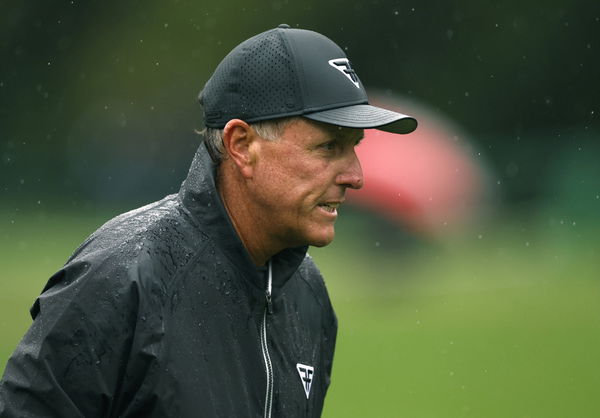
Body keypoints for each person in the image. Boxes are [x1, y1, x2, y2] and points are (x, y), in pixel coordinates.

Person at [0, 24, 416, 417]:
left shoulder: (308, 293)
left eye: (354, 147)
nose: (356, 176)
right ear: (241, 145)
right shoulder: (123, 278)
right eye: (328, 147)